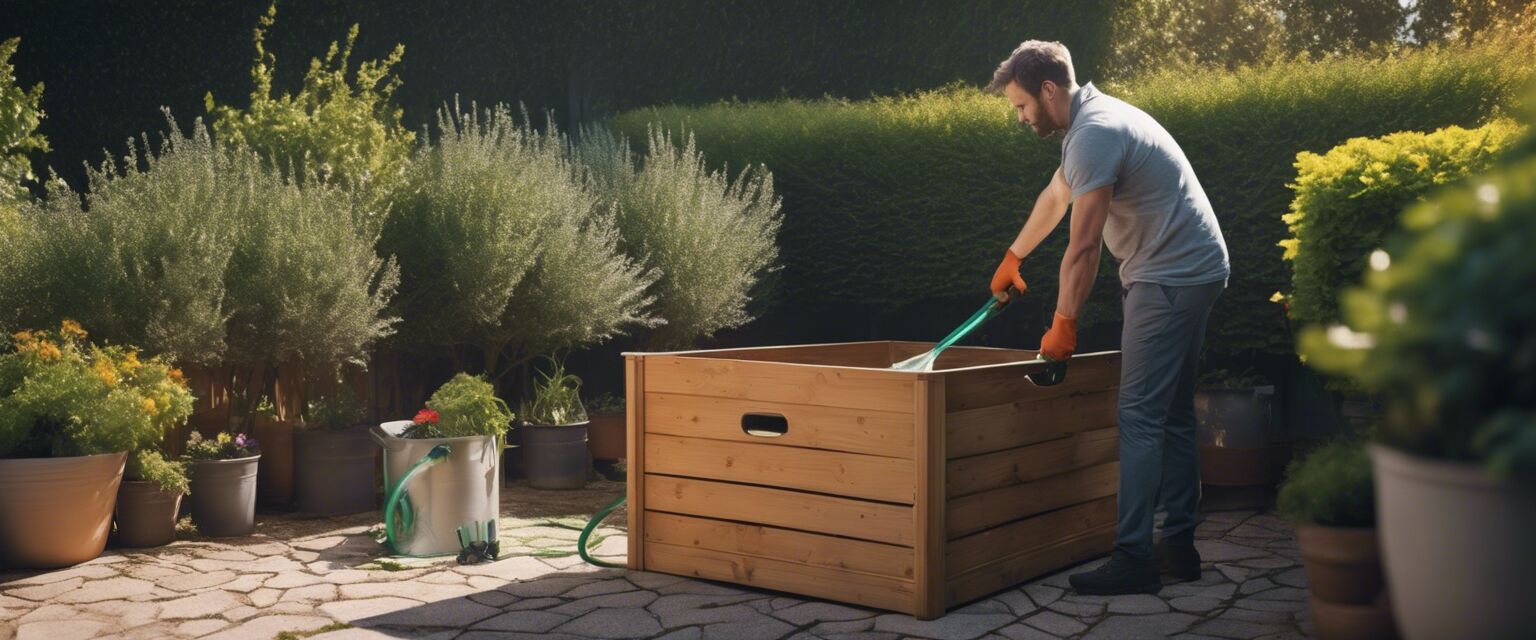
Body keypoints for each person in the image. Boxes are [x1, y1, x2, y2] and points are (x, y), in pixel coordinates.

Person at [985, 40, 1230, 595]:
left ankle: (1134, 557)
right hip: (1195, 270)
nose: (1021, 118)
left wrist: (1063, 323)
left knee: (1140, 414)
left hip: (1167, 277)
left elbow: (1084, 247)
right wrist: (1014, 256)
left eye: (1022, 106)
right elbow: (1057, 196)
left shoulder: (1095, 132)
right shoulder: (1093, 123)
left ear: (1049, 90)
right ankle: (1179, 548)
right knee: (1169, 414)